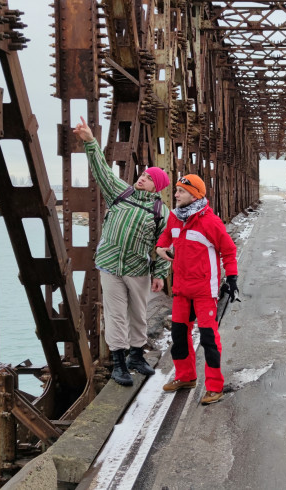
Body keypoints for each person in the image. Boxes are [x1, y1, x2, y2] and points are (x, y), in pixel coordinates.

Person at [73, 116, 171, 386]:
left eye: (149, 178)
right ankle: (119, 364)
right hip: (109, 265)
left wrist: (160, 272)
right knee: (115, 314)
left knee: (138, 314)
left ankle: (136, 357)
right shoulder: (121, 192)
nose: (142, 178)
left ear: (157, 187)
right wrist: (91, 142)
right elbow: (102, 170)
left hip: (137, 268)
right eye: (143, 174)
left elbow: (164, 244)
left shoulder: (161, 211)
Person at [155, 174, 239, 405]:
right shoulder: (174, 218)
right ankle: (185, 377)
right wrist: (161, 249)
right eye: (177, 190)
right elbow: (164, 239)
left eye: (181, 191)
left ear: (194, 195)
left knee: (209, 339)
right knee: (179, 336)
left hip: (204, 290)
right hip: (181, 289)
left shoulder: (210, 222)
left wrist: (231, 278)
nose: (176, 194)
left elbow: (229, 250)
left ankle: (214, 386)